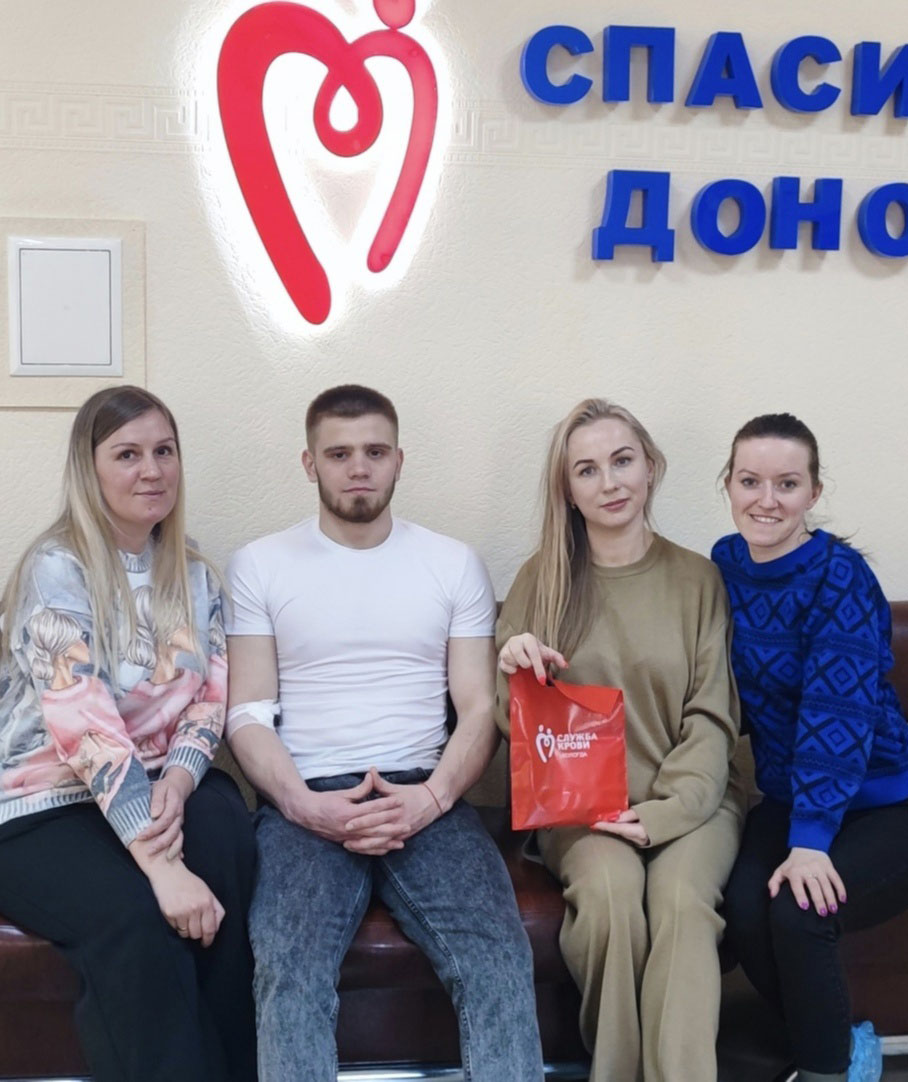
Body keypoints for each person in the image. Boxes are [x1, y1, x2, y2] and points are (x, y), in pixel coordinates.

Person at [224, 384, 544, 1082]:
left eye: (374, 451)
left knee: (496, 959)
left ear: (400, 460)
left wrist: (429, 799)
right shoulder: (259, 564)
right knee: (289, 972)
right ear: (309, 463)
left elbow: (478, 708)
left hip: (427, 791)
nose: (358, 468)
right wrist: (304, 805)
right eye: (339, 454)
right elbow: (246, 711)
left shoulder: (453, 562)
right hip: (305, 799)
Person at [0, 386, 256, 1082]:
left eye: (164, 451)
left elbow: (210, 697)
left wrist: (179, 778)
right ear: (89, 470)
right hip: (41, 803)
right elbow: (82, 723)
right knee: (142, 921)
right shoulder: (56, 569)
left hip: (152, 780)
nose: (152, 470)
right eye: (127, 454)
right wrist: (161, 865)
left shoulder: (194, 574)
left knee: (226, 836)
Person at [496, 397, 744, 1082]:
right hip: (581, 809)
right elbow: (512, 728)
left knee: (681, 903)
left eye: (622, 461)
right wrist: (514, 672)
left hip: (693, 802)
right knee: (609, 899)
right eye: (587, 470)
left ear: (651, 467)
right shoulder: (541, 581)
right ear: (568, 490)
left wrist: (663, 814)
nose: (609, 482)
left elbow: (713, 718)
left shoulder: (699, 579)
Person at [713, 413, 908, 1082]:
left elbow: (838, 712)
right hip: (792, 797)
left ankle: (828, 1071)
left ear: (814, 493)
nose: (766, 500)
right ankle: (840, 1046)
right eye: (750, 481)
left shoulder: (840, 577)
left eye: (787, 483)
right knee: (741, 909)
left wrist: (811, 840)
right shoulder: (725, 565)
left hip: (882, 800)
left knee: (800, 912)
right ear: (729, 485)